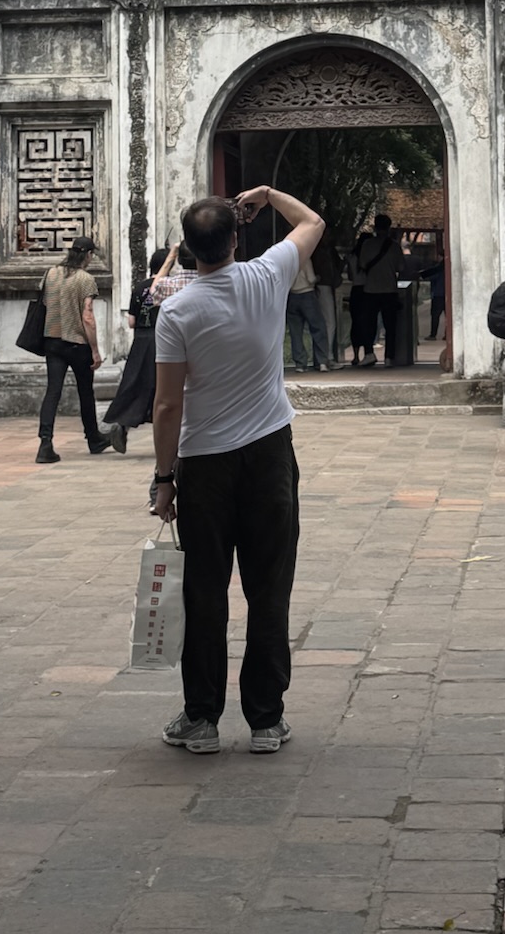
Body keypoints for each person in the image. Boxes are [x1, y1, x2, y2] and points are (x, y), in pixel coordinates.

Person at [152, 184, 324, 756]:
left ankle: (202, 718)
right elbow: (312, 222)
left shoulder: (176, 310)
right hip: (270, 455)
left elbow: (168, 404)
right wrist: (271, 193)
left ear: (189, 246)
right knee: (269, 588)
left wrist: (163, 476)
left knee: (205, 591)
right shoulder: (266, 275)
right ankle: (266, 719)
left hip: (204, 464)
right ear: (234, 238)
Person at [35, 235, 111, 464]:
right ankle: (94, 438)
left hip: (52, 340)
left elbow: (44, 301)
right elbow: (87, 316)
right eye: (92, 255)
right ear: (88, 255)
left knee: (53, 391)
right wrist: (95, 350)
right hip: (77, 343)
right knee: (85, 392)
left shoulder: (51, 274)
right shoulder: (85, 279)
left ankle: (45, 442)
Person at [102, 246, 169, 454]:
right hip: (162, 341)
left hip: (140, 342)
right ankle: (165, 440)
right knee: (163, 388)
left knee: (134, 385)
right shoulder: (169, 287)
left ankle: (122, 423)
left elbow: (131, 321)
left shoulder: (139, 287)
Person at [350, 215, 401, 367]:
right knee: (390, 326)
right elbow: (401, 267)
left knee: (369, 324)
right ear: (389, 227)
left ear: (375, 227)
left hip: (371, 290)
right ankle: (389, 357)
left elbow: (363, 264)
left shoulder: (367, 245)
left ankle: (369, 353)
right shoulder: (395, 246)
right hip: (389, 289)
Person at [286, 250, 330, 371]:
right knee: (318, 328)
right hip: (307, 294)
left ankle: (300, 363)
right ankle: (321, 362)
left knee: (296, 332)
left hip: (292, 296)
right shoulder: (305, 259)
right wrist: (318, 278)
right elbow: (310, 279)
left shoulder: (288, 262)